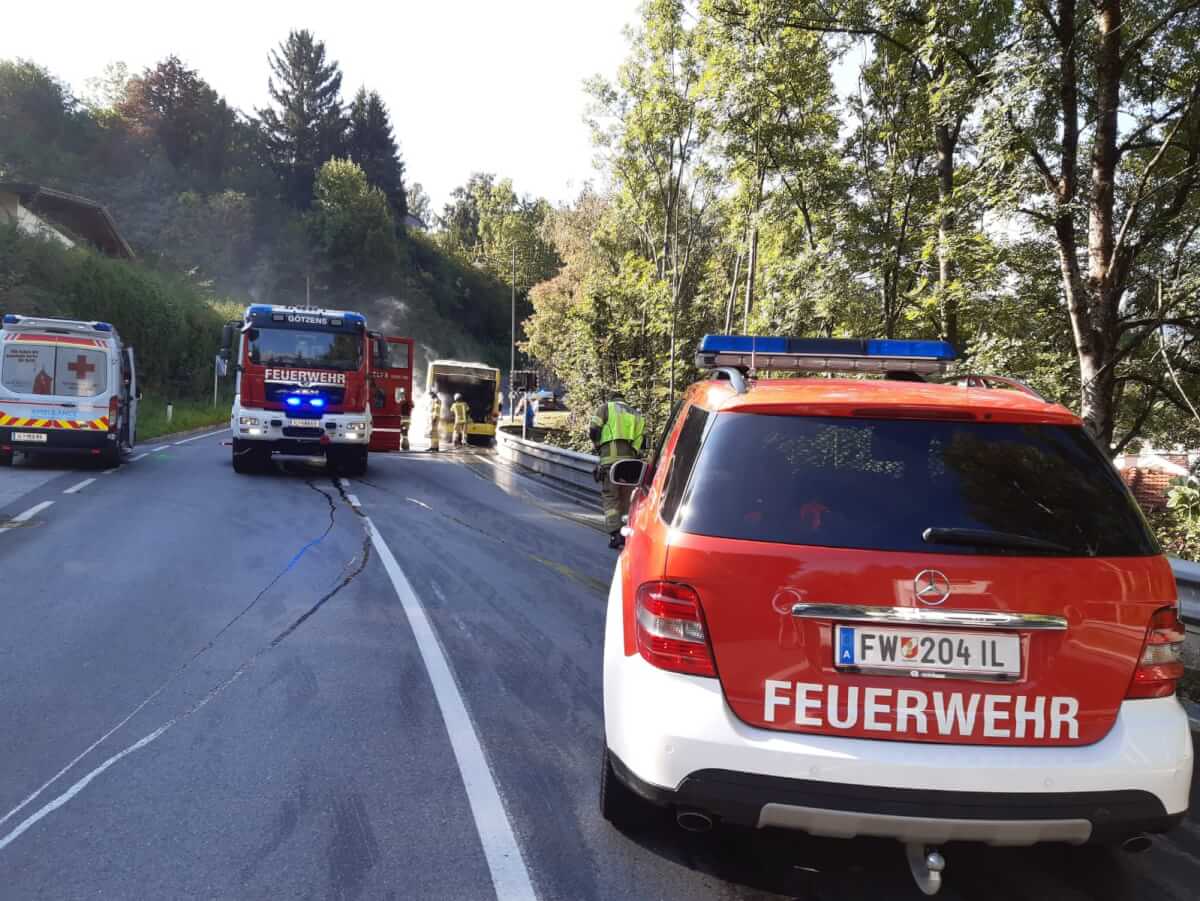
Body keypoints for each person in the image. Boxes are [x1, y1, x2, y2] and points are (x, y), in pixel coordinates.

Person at [589, 388, 646, 549]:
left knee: (611, 496)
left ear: (611, 398)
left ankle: (615, 534)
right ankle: (627, 532)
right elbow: (642, 441)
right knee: (627, 498)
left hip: (610, 460)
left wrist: (598, 446)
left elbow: (594, 430)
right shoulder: (635, 413)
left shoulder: (605, 408)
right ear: (623, 399)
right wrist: (633, 453)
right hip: (630, 462)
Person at [427, 388, 442, 453]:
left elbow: (437, 409)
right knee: (433, 433)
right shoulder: (434, 400)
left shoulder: (437, 400)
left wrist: (435, 418)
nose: (430, 396)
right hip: (433, 417)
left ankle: (435, 447)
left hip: (435, 418)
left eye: (431, 394)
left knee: (434, 433)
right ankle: (433, 446)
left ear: (434, 394)